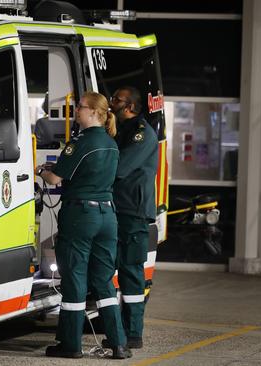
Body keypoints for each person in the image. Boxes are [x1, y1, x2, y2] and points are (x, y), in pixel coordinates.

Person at [36, 91, 131, 359]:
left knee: (75, 278)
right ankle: (118, 343)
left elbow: (55, 178)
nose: (76, 111)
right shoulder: (112, 144)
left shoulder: (79, 143)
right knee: (103, 281)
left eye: (80, 107)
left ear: (93, 112)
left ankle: (70, 345)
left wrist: (41, 171)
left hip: (81, 216)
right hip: (107, 217)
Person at [106, 86, 158, 350]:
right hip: (116, 208)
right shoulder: (119, 129)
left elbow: (120, 166)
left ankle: (133, 332)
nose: (111, 102)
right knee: (111, 269)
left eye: (117, 99)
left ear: (131, 108)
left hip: (132, 212)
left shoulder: (142, 134)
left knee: (130, 272)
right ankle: (118, 330)